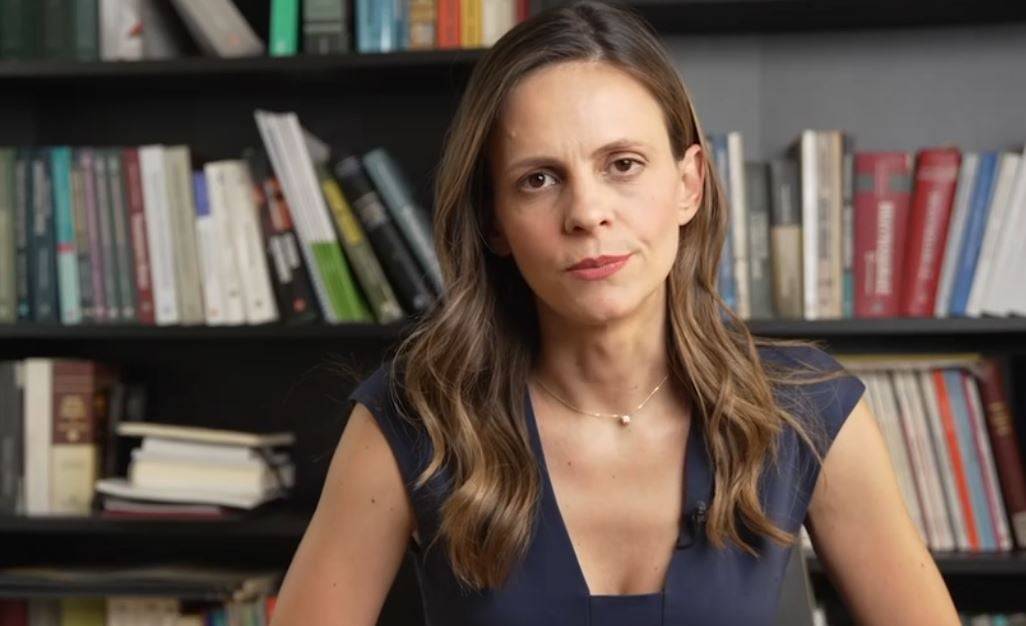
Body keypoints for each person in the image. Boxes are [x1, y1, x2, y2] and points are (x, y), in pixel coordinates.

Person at [269, 2, 960, 624]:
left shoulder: (809, 410)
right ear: (495, 221)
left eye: (622, 164)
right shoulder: (411, 419)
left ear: (689, 184)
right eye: (539, 179)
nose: (587, 213)